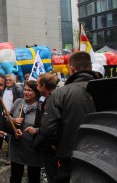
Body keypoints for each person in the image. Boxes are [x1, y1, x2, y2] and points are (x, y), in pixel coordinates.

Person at [40, 51, 97, 183]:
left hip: (68, 159)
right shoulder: (108, 88)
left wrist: (56, 145)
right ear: (90, 67)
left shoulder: (60, 93)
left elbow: (48, 129)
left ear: (71, 68)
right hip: (104, 156)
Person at [9, 80, 43, 183]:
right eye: (25, 89)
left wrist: (36, 130)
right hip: (17, 147)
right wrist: (13, 120)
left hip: (34, 149)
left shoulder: (41, 106)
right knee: (15, 176)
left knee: (34, 177)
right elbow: (8, 117)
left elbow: (47, 126)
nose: (25, 92)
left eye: (29, 90)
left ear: (36, 92)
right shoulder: (19, 102)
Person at [35, 72, 60, 183]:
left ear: (43, 86)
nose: (36, 88)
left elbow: (50, 126)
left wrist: (53, 143)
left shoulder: (52, 100)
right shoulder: (54, 97)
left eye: (37, 85)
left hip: (52, 150)